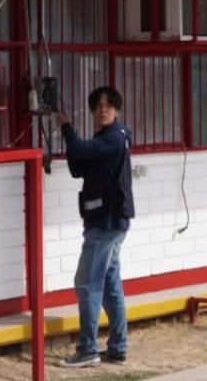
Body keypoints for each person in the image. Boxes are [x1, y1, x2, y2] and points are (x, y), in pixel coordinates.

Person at [55, 85, 134, 367]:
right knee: (110, 284)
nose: (103, 110)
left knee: (87, 283)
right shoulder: (108, 139)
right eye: (99, 105)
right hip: (108, 222)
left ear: (117, 110)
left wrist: (65, 126)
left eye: (108, 105)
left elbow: (79, 149)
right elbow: (79, 166)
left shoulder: (113, 138)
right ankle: (118, 346)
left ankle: (88, 349)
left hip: (106, 223)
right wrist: (73, 144)